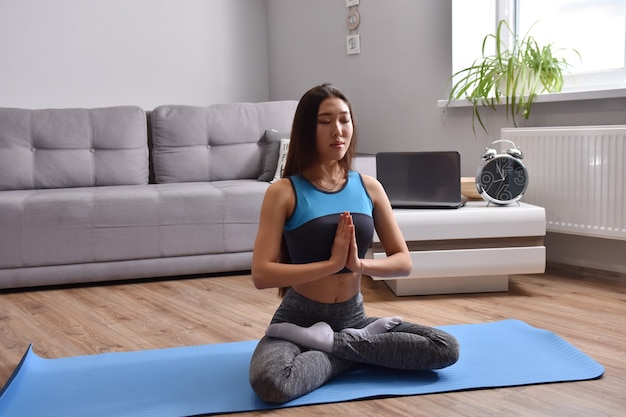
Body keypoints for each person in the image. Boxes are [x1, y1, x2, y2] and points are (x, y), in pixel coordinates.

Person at [248, 83, 459, 404]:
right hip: (297, 320)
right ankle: (358, 348)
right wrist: (331, 266)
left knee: (445, 347)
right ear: (308, 128)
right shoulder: (284, 192)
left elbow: (403, 261)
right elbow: (261, 274)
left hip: (354, 319)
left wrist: (359, 265)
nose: (338, 130)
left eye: (345, 120)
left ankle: (334, 344)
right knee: (273, 382)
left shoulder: (370, 187)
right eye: (325, 120)